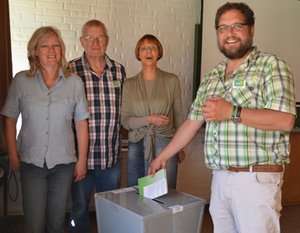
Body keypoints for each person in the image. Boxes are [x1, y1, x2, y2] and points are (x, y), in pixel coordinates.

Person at [148, 2, 296, 233]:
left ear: (251, 28)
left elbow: (285, 120)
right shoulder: (212, 77)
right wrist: (163, 157)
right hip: (220, 178)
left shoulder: (271, 66)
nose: (229, 34)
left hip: (255, 179)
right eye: (223, 28)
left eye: (237, 26)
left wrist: (232, 112)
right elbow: (192, 122)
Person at [1, 26, 89, 233]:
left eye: (56, 45)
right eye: (45, 46)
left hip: (63, 164)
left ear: (62, 49)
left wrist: (82, 160)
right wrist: (13, 155)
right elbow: (9, 120)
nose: (51, 51)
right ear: (35, 51)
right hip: (32, 163)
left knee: (56, 222)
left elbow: (81, 123)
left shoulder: (74, 83)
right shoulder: (21, 81)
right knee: (34, 223)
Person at [68, 19, 126, 233]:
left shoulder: (119, 71)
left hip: (110, 158)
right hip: (81, 159)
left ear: (107, 41)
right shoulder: (70, 70)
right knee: (80, 208)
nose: (95, 42)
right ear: (82, 41)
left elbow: (124, 110)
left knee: (111, 208)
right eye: (90, 38)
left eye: (100, 37)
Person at [121, 34, 185, 189]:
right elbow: (125, 121)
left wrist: (180, 147)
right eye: (144, 48)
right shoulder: (129, 84)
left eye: (153, 48)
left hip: (165, 142)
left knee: (164, 192)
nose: (148, 51)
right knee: (136, 192)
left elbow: (178, 115)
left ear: (159, 53)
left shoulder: (172, 80)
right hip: (137, 142)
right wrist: (149, 119)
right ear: (138, 54)